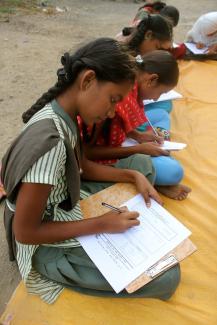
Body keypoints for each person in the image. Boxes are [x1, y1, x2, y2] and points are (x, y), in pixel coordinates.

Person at [1, 38, 180, 304]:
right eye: (112, 100)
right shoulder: (50, 143)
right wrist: (102, 224)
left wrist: (133, 176)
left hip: (63, 201)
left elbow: (80, 167)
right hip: (43, 246)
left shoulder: (62, 114)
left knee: (141, 166)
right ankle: (64, 267)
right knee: (168, 276)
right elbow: (25, 232)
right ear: (87, 80)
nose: (111, 113)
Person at [81, 50, 191, 201]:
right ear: (152, 80)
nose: (156, 99)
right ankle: (156, 173)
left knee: (162, 114)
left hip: (120, 144)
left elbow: (118, 122)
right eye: (161, 92)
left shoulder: (122, 92)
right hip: (104, 157)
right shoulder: (108, 103)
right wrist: (138, 149)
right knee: (173, 172)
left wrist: (137, 135)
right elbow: (86, 154)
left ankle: (159, 154)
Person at [117, 14, 173, 113]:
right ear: (148, 35)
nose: (159, 54)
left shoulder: (138, 54)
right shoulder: (122, 58)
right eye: (159, 48)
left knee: (167, 104)